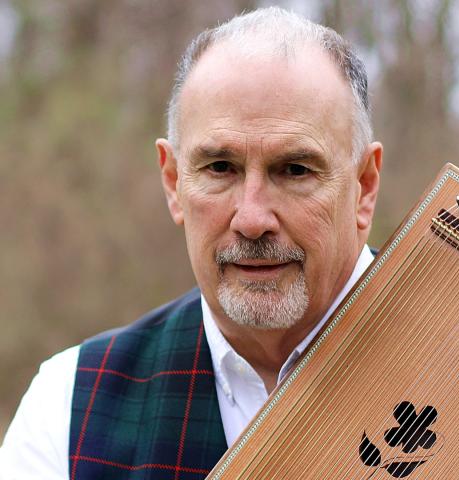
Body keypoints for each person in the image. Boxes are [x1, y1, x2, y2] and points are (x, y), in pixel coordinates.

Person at [0, 6, 382, 479]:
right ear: (173, 180)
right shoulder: (68, 409)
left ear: (363, 187)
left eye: (295, 170)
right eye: (220, 168)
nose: (252, 219)